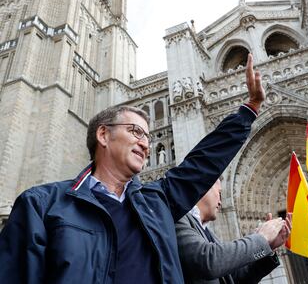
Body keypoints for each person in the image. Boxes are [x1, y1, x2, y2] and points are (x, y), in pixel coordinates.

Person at [0, 53, 265, 284]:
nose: (145, 143)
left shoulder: (157, 203)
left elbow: (201, 164)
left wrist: (248, 110)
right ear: (103, 135)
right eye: (136, 132)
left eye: (148, 137)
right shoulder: (42, 205)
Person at [176, 179, 292, 284]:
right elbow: (208, 261)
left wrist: (268, 247)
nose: (221, 202)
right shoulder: (178, 218)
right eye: (219, 193)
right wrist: (261, 238)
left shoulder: (209, 233)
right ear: (205, 188)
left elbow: (234, 278)